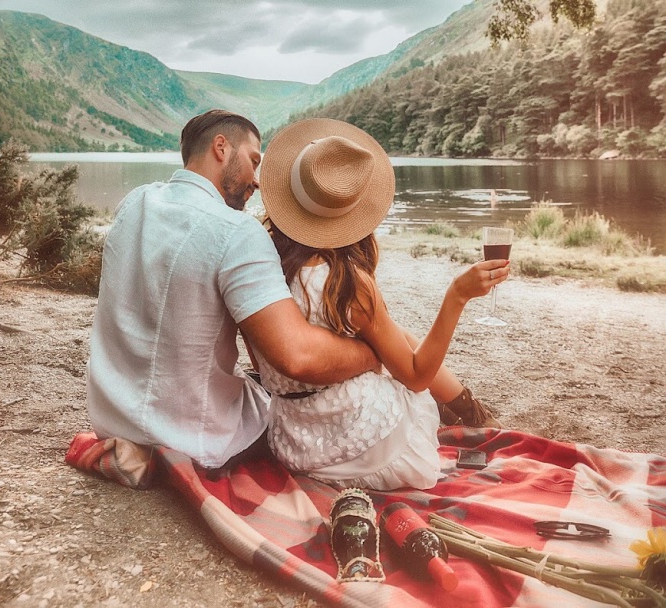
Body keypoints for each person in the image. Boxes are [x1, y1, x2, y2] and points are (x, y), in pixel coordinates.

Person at [86, 109, 383, 470]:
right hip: (193, 437)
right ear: (221, 147)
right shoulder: (236, 231)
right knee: (332, 405)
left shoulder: (134, 202)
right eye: (254, 161)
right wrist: (371, 355)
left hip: (113, 420)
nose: (256, 180)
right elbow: (297, 356)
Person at [253, 118, 509, 491]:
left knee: (391, 334)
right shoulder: (348, 283)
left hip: (292, 442)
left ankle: (471, 410)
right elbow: (416, 376)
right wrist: (457, 295)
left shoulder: (256, 267)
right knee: (404, 364)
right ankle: (472, 411)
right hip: (365, 446)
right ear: (350, 210)